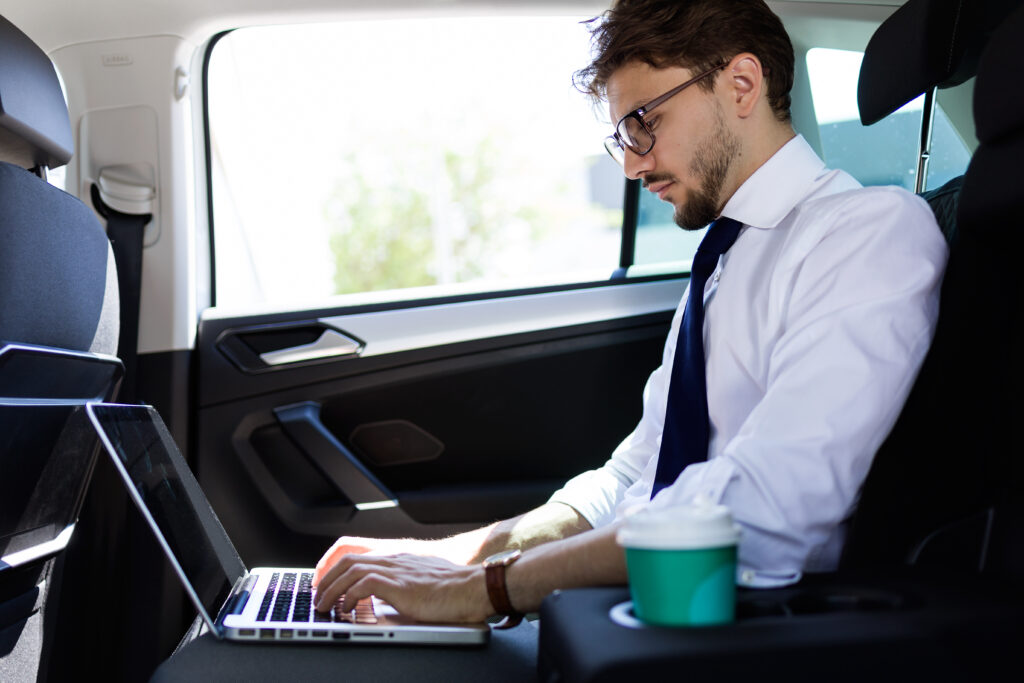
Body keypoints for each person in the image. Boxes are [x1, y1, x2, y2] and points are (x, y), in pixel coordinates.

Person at [312, 0, 947, 624]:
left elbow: (764, 506)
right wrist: (454, 559)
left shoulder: (868, 234)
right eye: (623, 136)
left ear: (742, 84)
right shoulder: (722, 263)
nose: (632, 164)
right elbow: (632, 477)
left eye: (645, 121)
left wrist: (487, 589)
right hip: (645, 606)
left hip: (748, 627)